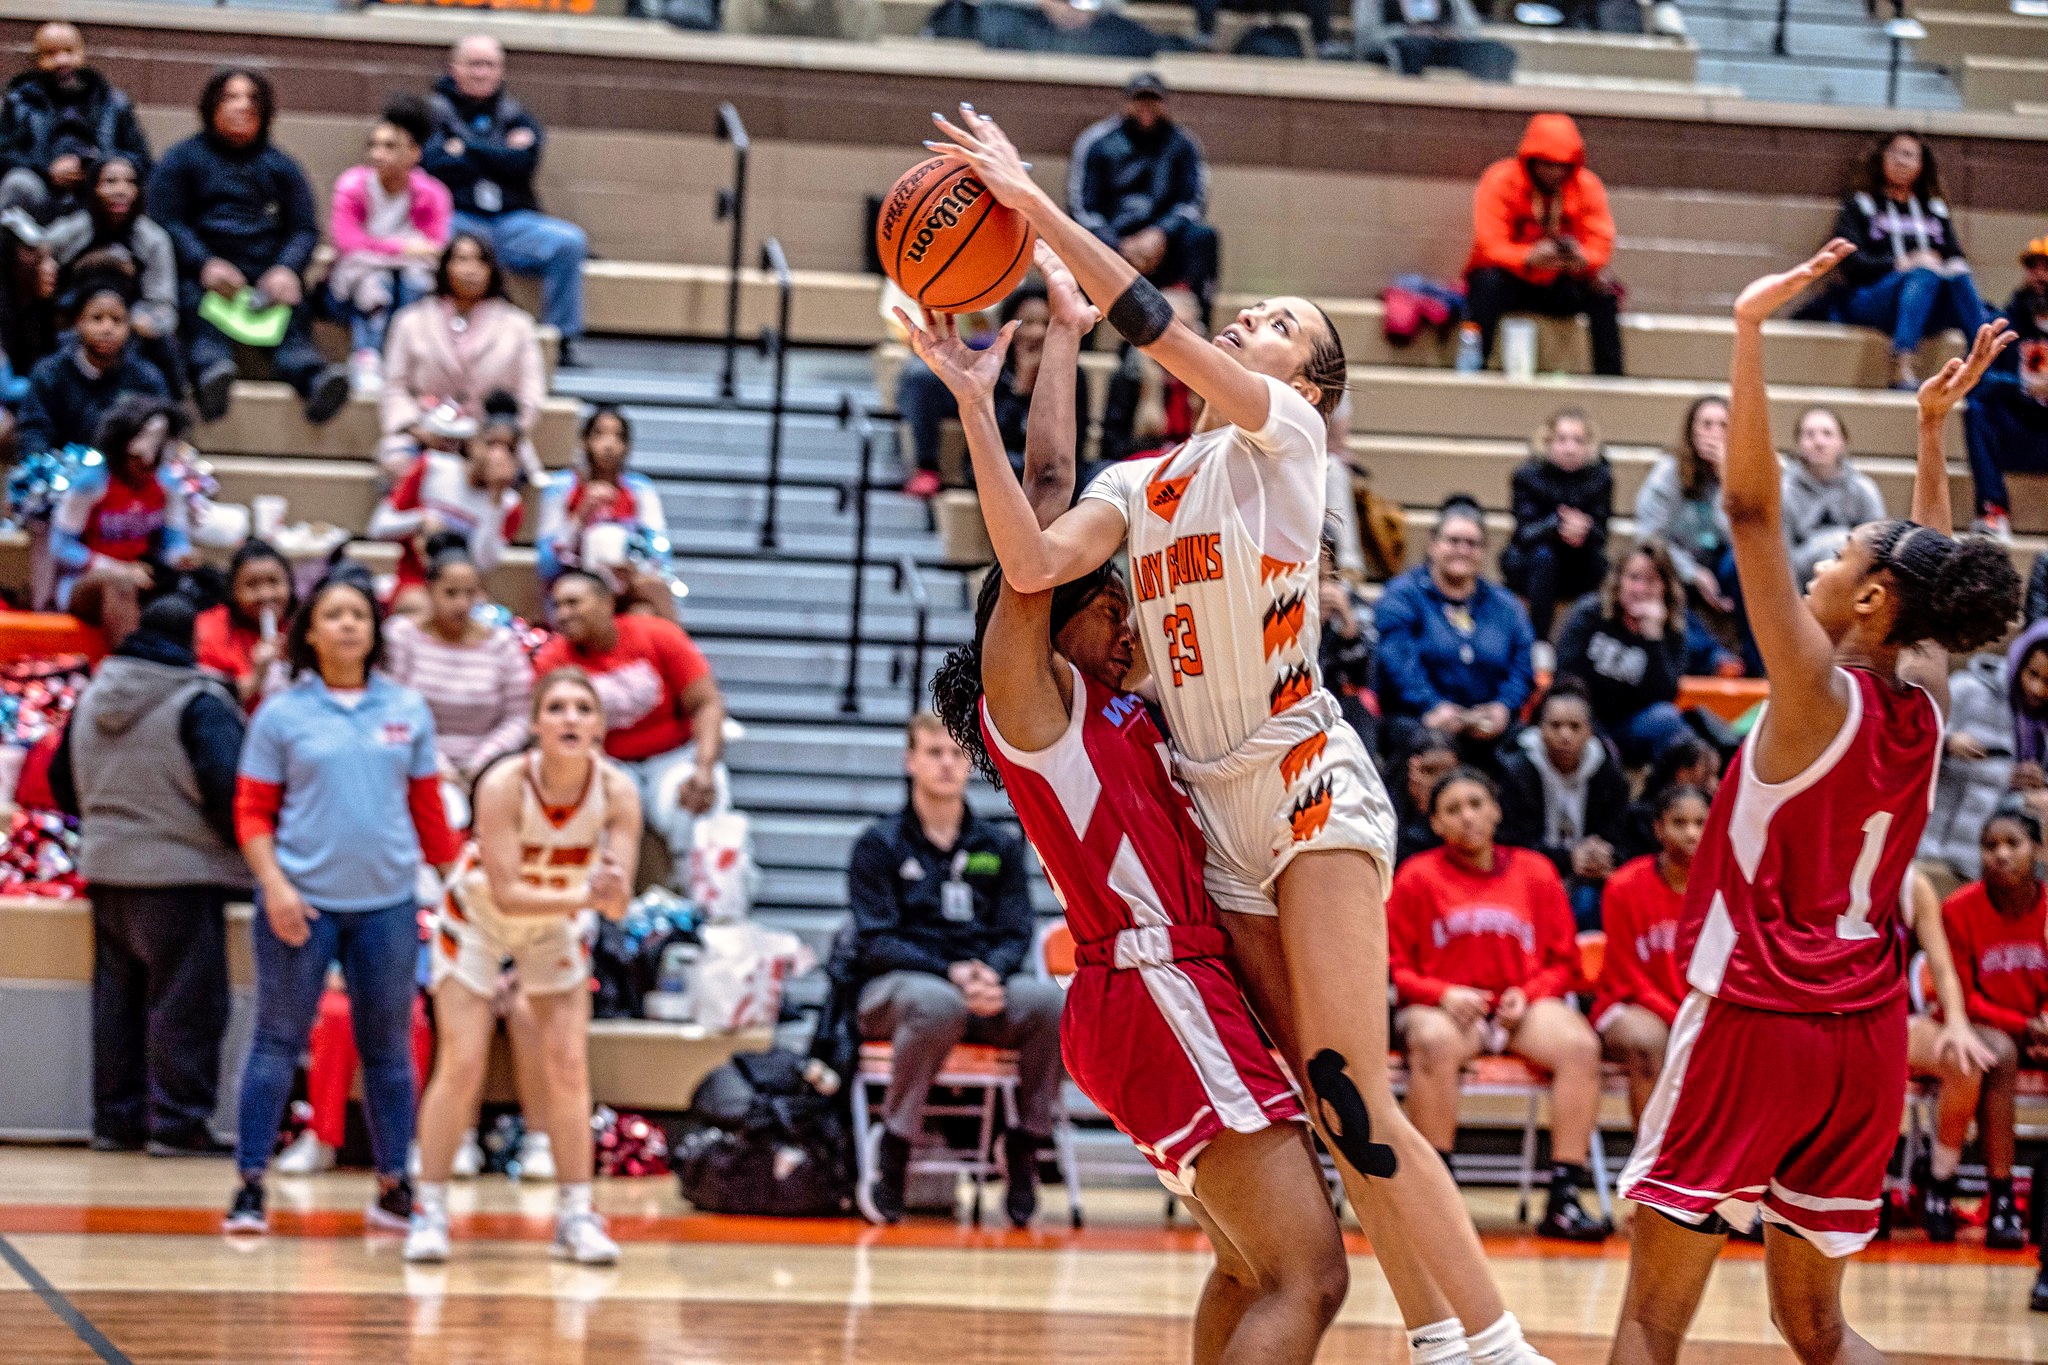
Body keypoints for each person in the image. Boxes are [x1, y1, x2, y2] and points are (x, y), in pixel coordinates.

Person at [920, 105, 1558, 1365]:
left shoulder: (1285, 441)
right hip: (1214, 813)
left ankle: (1489, 1347)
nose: (1251, 317)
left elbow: (1154, 323)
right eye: (1254, 309)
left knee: (1354, 1082)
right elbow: (1031, 562)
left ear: (1302, 383)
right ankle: (1433, 1335)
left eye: (1278, 324)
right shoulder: (1136, 485)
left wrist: (1033, 206)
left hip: (1303, 772)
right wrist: (990, 393)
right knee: (1323, 1099)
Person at [1607, 242, 2020, 1365]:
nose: (1817, 561)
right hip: (1865, 1035)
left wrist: (1747, 333)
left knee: (1649, 1320)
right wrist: (1930, 435)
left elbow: (1748, 510)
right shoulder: (1923, 699)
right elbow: (1929, 585)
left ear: (1869, 600)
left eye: (1837, 553)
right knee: (1818, 1330)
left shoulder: (1810, 696)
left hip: (1756, 1015)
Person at [926, 272, 1353, 1351]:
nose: (1130, 633)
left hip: (1171, 985)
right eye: (1112, 612)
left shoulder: (1111, 700)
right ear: (1049, 618)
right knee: (1309, 1276)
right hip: (1152, 982)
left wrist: (1066, 338)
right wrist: (973, 403)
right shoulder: (1034, 705)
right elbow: (1031, 534)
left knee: (1250, 1267)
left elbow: (1054, 481)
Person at [224, 570, 463, 1237]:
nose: (349, 624)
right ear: (310, 632)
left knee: (389, 1050)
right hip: (302, 904)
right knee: (276, 1042)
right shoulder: (281, 714)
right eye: (334, 614)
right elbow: (252, 810)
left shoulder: (407, 708)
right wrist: (275, 884)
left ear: (374, 629)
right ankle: (249, 1184)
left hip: (388, 906)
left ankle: (394, 1186)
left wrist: (459, 882)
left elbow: (428, 809)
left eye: (359, 614)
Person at [407, 668, 639, 1265]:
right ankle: (428, 1209)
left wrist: (610, 892)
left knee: (568, 1066)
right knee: (462, 1061)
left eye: (583, 708)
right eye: (556, 707)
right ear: (535, 724)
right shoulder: (504, 782)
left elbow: (617, 905)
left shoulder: (618, 792)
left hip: (554, 920)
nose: (570, 718)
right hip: (479, 917)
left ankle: (576, 1215)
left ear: (600, 726)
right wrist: (589, 896)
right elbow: (508, 894)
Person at [47, 595, 246, 1158]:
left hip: (106, 870)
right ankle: (178, 1124)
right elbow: (228, 792)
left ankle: (116, 1121)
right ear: (192, 640)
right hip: (181, 873)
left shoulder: (93, 696)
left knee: (118, 1004)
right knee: (186, 1004)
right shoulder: (199, 700)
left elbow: (61, 780)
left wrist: (107, 824)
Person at [846, 715, 1062, 1228]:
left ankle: (1026, 1145)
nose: (947, 764)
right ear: (910, 761)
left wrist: (991, 974)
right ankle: (894, 1150)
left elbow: (1016, 932)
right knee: (936, 1004)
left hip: (979, 987)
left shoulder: (997, 846)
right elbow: (876, 941)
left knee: (1051, 1004)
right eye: (934, 752)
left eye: (957, 754)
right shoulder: (879, 844)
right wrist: (952, 973)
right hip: (895, 989)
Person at [1390, 766, 1610, 1242]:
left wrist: (1527, 995)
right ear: (1436, 824)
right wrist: (1442, 994)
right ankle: (1437, 1198)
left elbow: (1565, 962)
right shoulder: (1416, 876)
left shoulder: (1536, 871)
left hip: (1518, 1006)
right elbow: (1393, 967)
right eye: (1452, 810)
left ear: (1496, 811)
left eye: (1476, 804)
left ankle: (1564, 1196)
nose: (1467, 816)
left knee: (1580, 1047)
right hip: (1447, 1007)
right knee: (1431, 1042)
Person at [148, 67, 347, 426]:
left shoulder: (282, 166)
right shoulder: (182, 160)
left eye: (252, 99)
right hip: (205, 275)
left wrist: (287, 269)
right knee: (196, 311)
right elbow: (166, 220)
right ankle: (211, 376)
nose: (243, 106)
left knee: (293, 318)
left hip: (266, 275)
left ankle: (314, 380)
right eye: (231, 97)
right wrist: (204, 263)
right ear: (212, 105)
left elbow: (304, 229)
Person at [532, 571, 730, 878]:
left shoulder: (657, 635)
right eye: (557, 606)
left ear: (606, 603)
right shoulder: (553, 660)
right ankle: (603, 902)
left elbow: (706, 703)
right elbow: (550, 732)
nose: (563, 614)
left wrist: (704, 768)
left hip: (673, 756)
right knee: (587, 806)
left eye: (573, 603)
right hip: (606, 762)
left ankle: (702, 899)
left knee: (697, 805)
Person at [1913, 808, 2042, 1252]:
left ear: (2037, 850)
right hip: (1977, 1030)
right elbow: (1962, 997)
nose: (2000, 855)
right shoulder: (1958, 909)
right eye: (1990, 846)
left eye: (2012, 844)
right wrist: (2026, 1027)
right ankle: (2002, 1197)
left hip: (2037, 1032)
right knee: (1998, 1054)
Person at [424, 36, 586, 363]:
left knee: (569, 242)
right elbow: (436, 164)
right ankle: (443, 337)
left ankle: (561, 341)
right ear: (454, 68)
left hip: (511, 221)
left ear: (501, 70)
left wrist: (466, 149)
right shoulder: (432, 113)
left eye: (490, 65)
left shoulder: (515, 114)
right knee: (436, 238)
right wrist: (500, 153)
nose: (482, 73)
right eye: (474, 64)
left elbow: (523, 163)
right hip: (459, 217)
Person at [1374, 497, 1536, 770]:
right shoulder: (1402, 595)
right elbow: (1397, 660)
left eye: (1472, 543)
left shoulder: (1506, 606)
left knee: (1529, 749)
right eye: (1453, 541)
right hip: (1420, 718)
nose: (1463, 550)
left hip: (1489, 726)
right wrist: (1432, 706)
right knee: (1426, 745)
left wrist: (1503, 707)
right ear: (1433, 544)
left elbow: (1522, 665)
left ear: (1484, 550)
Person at [1824, 132, 1986, 392]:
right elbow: (1851, 263)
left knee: (1959, 274)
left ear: (1921, 165)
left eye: (1909, 155)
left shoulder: (1934, 209)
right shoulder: (1861, 204)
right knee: (1923, 273)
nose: (1901, 160)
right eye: (1895, 153)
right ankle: (1902, 363)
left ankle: (1985, 361)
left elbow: (1955, 256)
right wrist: (1902, 263)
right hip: (1873, 298)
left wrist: (1946, 266)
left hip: (1925, 302)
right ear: (1882, 158)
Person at [894, 283, 1088, 500]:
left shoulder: (1073, 374)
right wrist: (1021, 389)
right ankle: (927, 468)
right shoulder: (995, 366)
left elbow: (1072, 447)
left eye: (1046, 323)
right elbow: (992, 442)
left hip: (1047, 472)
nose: (1038, 332)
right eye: (1028, 323)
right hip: (996, 466)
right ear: (1010, 328)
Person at [1465, 113, 1622, 378]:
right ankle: (1473, 369)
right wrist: (1530, 256)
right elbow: (1490, 243)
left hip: (1561, 281)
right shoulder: (1501, 179)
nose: (1555, 172)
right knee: (1486, 284)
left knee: (1604, 292)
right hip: (1512, 280)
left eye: (1563, 165)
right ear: (1531, 160)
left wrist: (1580, 259)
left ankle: (1611, 381)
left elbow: (1600, 244)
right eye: (1547, 164)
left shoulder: (1586, 186)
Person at [379, 233, 546, 480]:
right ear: (445, 267)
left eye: (480, 261)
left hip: (492, 437)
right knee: (399, 464)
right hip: (424, 431)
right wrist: (416, 428)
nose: (471, 269)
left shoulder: (518, 325)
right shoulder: (410, 321)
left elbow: (531, 393)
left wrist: (498, 434)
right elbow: (395, 386)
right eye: (462, 260)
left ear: (492, 270)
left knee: (499, 467)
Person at [1591, 784, 1706, 1123]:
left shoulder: (1727, 886)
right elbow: (1626, 974)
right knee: (1648, 1043)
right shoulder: (1623, 885)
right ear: (1658, 828)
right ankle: (1649, 1152)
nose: (1691, 833)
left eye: (1701, 823)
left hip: (1698, 1010)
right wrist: (1678, 1017)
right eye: (1679, 823)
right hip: (1630, 1005)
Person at [384, 545, 534, 796]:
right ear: (429, 591)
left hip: (490, 771)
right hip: (414, 765)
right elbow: (392, 708)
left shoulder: (502, 643)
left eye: (470, 594)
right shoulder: (402, 635)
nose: (462, 604)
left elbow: (519, 717)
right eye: (451, 593)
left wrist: (479, 765)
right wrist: (438, 766)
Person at [329, 95, 452, 396]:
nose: (377, 154)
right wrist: (403, 250)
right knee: (375, 282)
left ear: (414, 153)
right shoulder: (352, 185)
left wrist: (383, 250)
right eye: (373, 145)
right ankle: (366, 358)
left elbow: (436, 248)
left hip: (409, 279)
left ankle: (409, 362)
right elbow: (348, 242)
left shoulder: (433, 193)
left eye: (389, 146)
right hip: (356, 280)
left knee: (416, 281)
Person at [1067, 76, 1218, 322]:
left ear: (1165, 104)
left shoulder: (1184, 144)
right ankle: (1082, 330)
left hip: (1164, 243)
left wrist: (1160, 233)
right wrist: (1118, 245)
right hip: (1111, 240)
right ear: (1126, 103)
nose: (1146, 107)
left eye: (1153, 100)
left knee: (1203, 238)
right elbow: (1081, 208)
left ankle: (1199, 327)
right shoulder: (1096, 142)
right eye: (1139, 99)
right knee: (1079, 241)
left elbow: (1193, 203)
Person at [49, 395, 193, 644]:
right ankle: (128, 659)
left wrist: (181, 557)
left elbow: (175, 542)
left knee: (196, 584)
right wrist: (118, 569)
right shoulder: (90, 483)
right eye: (138, 460)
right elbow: (61, 548)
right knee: (120, 585)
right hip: (83, 581)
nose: (146, 467)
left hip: (144, 574)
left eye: (153, 462)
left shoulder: (167, 484)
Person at [368, 400, 525, 609]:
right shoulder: (432, 466)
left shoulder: (510, 505)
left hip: (463, 591)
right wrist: (421, 520)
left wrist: (495, 498)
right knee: (419, 606)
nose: (497, 455)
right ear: (473, 443)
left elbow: (482, 564)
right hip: (416, 580)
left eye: (509, 449)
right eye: (490, 444)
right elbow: (378, 527)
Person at [1498, 679, 1627, 931]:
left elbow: (1620, 837)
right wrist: (1568, 858)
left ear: (1590, 730)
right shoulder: (1517, 770)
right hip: (1528, 874)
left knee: (1592, 900)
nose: (1565, 736)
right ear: (1539, 728)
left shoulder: (1609, 773)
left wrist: (1604, 855)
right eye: (1555, 725)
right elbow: (1512, 842)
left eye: (1575, 726)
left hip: (1588, 878)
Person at [44, 155, 180, 394]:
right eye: (110, 182)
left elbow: (165, 306)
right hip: (69, 326)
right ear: (93, 188)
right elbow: (36, 250)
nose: (120, 190)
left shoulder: (154, 240)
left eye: (130, 182)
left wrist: (136, 322)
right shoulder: (73, 230)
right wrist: (43, 265)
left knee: (165, 345)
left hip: (130, 331)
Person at [1635, 396, 1753, 668]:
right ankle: (1715, 658)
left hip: (1722, 565)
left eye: (1723, 426)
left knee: (1745, 563)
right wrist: (1693, 573)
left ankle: (1758, 664)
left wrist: (1726, 478)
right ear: (1691, 432)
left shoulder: (1745, 476)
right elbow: (1648, 536)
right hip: (1678, 565)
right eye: (1706, 425)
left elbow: (1744, 537)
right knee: (1652, 572)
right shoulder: (1668, 474)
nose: (1714, 433)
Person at [1555, 542, 1699, 765]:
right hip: (1583, 720)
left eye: (1651, 581)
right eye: (1633, 578)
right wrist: (1598, 736)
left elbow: (1665, 697)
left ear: (1665, 586)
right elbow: (1566, 678)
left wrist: (1653, 638)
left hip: (1631, 727)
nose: (1640, 589)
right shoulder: (1589, 614)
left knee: (1668, 720)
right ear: (1619, 580)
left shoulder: (1671, 632)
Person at [0, 22, 149, 222]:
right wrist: (47, 171)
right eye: (50, 53)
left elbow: (140, 158)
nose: (62, 60)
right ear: (37, 59)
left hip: (96, 198)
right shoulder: (19, 102)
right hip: (41, 192)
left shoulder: (113, 102)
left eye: (69, 51)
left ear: (82, 53)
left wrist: (99, 167)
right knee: (18, 183)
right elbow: (4, 154)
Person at [15, 274, 168, 456]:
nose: (107, 329)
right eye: (97, 318)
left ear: (129, 326)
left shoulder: (146, 377)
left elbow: (162, 428)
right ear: (79, 322)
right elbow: (34, 431)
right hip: (63, 468)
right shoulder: (49, 373)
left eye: (117, 320)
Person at [1962, 236, 2048, 542]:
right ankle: (1993, 510)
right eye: (2034, 267)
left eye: (2047, 268)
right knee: (1977, 410)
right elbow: (1980, 380)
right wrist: (2023, 385)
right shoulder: (2003, 321)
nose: (2041, 276)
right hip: (2016, 430)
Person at [1500, 407, 1611, 639]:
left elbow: (1601, 534)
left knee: (1601, 566)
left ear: (1589, 445)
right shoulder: (1527, 475)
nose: (1570, 449)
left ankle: (1591, 637)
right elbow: (1524, 533)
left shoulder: (1601, 477)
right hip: (1534, 562)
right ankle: (1538, 639)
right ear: (1547, 442)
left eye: (1578, 441)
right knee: (1544, 557)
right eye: (1562, 440)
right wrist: (1557, 526)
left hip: (1578, 561)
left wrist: (1584, 530)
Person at [1918, 638, 2017, 882]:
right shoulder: (1966, 688)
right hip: (1924, 844)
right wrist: (1947, 743)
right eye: (2033, 674)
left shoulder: (2037, 725)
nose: (2038, 689)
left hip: (1974, 865)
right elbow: (1914, 739)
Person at [537, 405, 670, 587]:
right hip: (574, 582)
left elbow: (660, 553)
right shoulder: (561, 487)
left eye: (618, 436)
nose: (609, 444)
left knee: (655, 593)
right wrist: (581, 515)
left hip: (627, 584)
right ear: (584, 441)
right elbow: (546, 565)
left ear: (627, 446)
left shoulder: (640, 489)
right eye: (599, 434)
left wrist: (638, 567)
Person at [1781, 407, 1885, 589]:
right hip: (1801, 571)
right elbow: (1781, 554)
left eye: (1827, 434)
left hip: (1853, 572)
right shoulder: (1784, 490)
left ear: (1842, 442)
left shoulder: (1863, 488)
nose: (1819, 442)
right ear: (1798, 444)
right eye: (1810, 435)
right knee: (1835, 542)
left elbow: (1877, 546)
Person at [195, 539, 296, 713]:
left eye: (274, 582)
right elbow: (206, 705)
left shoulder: (305, 627)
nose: (265, 595)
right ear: (233, 590)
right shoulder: (207, 630)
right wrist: (257, 677)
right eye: (252, 584)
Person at [1612, 733, 1723, 866]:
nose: (1716, 784)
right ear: (1683, 774)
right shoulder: (1638, 821)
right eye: (1709, 774)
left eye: (1700, 823)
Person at [1352, 0, 1516, 82]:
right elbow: (1366, 37)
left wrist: (1448, 32)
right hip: (1401, 48)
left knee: (1495, 52)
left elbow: (1471, 30)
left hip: (1443, 44)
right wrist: (1407, 32)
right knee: (1412, 49)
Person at [1393, 728, 1459, 866]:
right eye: (1429, 770)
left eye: (1448, 772)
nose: (1439, 782)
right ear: (1409, 772)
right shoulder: (1387, 816)